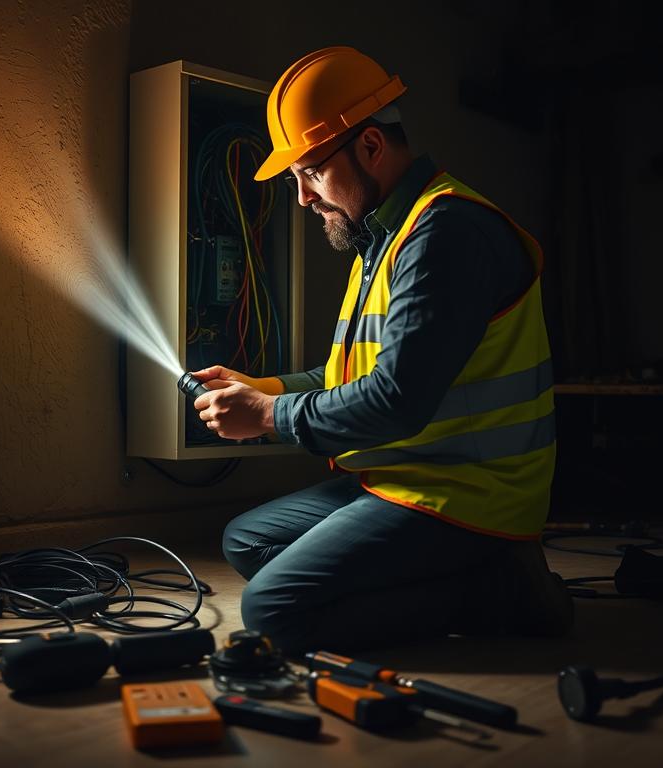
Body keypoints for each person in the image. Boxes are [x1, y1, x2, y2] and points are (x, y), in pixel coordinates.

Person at [191, 46, 572, 654]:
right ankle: (476, 578)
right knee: (246, 541)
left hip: (468, 494)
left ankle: (502, 590)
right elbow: (358, 372)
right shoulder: (386, 233)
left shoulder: (445, 233)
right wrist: (269, 390)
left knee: (272, 612)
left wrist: (267, 418)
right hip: (401, 476)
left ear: (370, 147)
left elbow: (397, 398)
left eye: (311, 172)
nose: (303, 198)